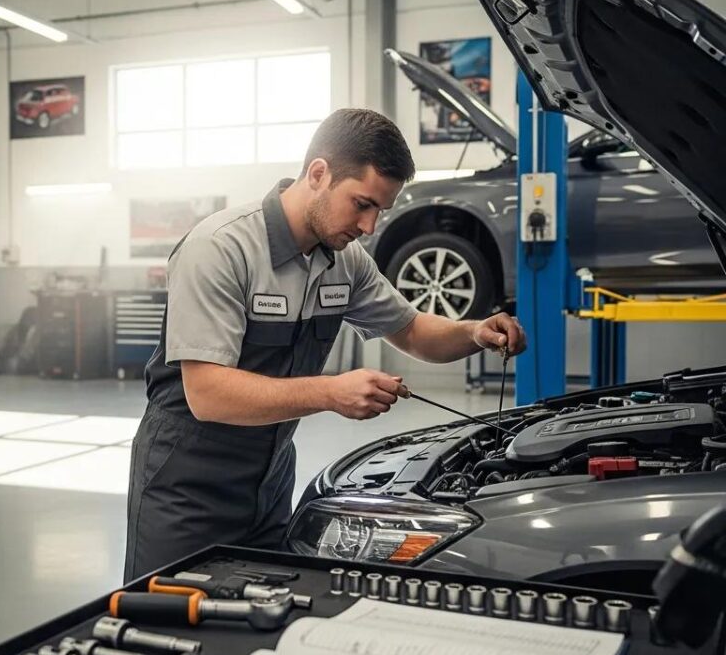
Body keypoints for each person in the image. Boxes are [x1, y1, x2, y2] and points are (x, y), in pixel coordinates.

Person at [123, 108, 526, 580]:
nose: (371, 226)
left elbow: (413, 330)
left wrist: (473, 332)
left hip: (269, 484)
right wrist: (331, 392)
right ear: (318, 173)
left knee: (259, 626)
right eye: (362, 204)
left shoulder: (345, 261)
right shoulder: (220, 248)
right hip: (186, 487)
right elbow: (208, 394)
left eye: (381, 210)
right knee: (165, 624)